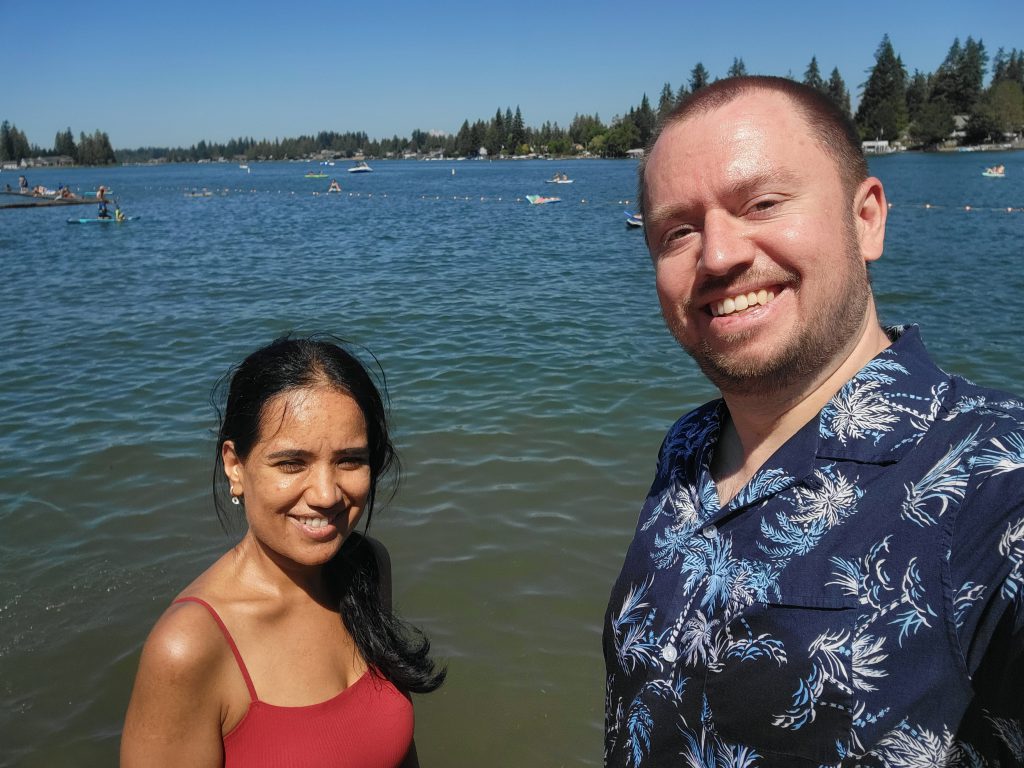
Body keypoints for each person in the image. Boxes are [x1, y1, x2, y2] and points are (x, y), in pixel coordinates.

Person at [603, 76, 1024, 767]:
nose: (718, 255)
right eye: (677, 232)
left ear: (867, 219)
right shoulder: (687, 448)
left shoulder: (994, 478)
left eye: (763, 204)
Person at [122, 336, 445, 767]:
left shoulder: (365, 568)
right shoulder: (190, 649)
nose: (327, 494)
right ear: (235, 466)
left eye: (350, 460)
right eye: (292, 463)